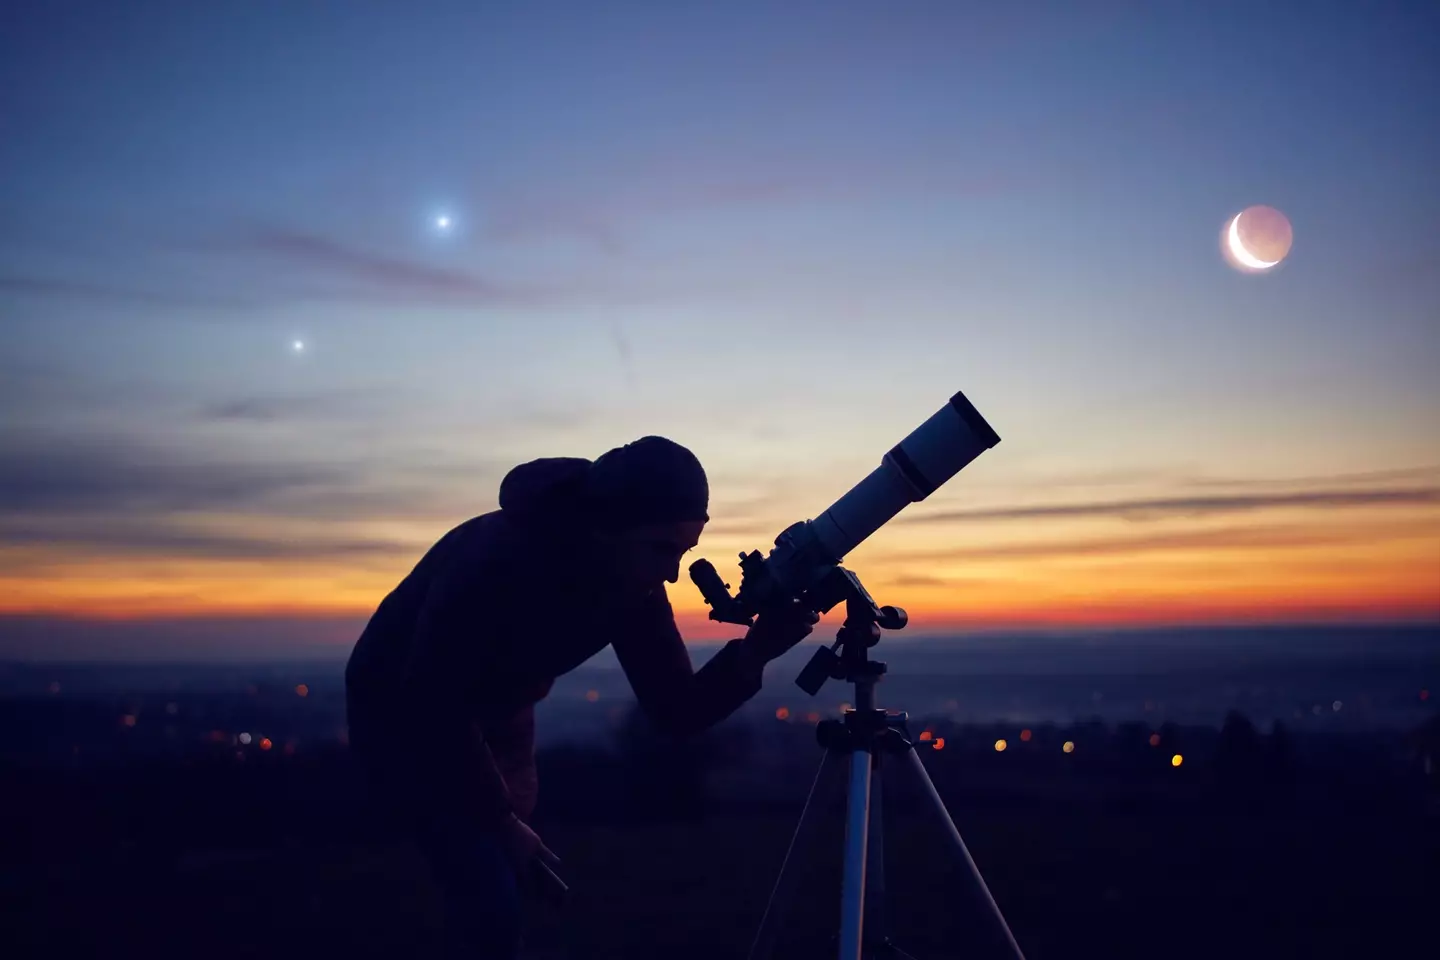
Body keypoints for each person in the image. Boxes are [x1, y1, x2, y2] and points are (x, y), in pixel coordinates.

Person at [345, 436, 819, 958]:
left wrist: (755, 653)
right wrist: (500, 821)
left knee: (495, 881)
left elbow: (674, 708)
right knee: (482, 885)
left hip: (498, 714)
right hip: (400, 714)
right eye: (663, 548)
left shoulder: (631, 579)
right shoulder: (494, 561)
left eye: (684, 552)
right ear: (606, 528)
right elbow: (432, 703)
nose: (672, 573)